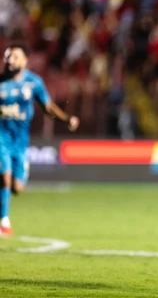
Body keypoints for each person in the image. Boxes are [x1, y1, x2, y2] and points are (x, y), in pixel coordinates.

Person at [0, 43, 80, 235]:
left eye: (15, 57)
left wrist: (66, 119)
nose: (10, 60)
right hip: (1, 138)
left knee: (17, 187)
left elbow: (48, 107)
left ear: (25, 61)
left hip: (20, 142)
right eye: (8, 56)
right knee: (5, 176)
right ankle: (4, 222)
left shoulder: (34, 83)